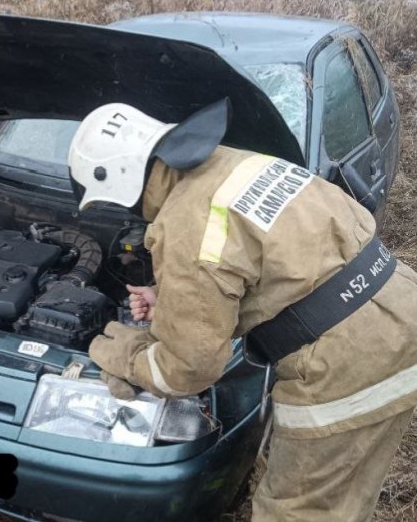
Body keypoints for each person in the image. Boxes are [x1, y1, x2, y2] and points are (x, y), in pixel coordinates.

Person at [67, 99, 417, 521]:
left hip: (347, 362)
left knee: (299, 510)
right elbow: (264, 256)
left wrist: (128, 355)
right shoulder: (233, 162)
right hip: (397, 311)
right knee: (345, 487)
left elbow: (190, 368)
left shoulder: (186, 222)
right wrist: (173, 297)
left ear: (118, 181)